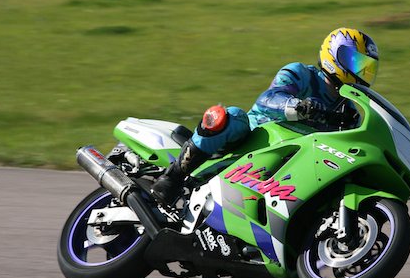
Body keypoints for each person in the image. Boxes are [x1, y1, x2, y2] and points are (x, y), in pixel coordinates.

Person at [151, 27, 379, 206]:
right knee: (232, 116)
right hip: (254, 139)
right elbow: (268, 98)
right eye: (355, 62)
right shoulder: (302, 74)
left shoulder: (350, 111)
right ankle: (173, 177)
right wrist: (300, 106)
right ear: (334, 55)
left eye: (366, 68)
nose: (361, 72)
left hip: (294, 166)